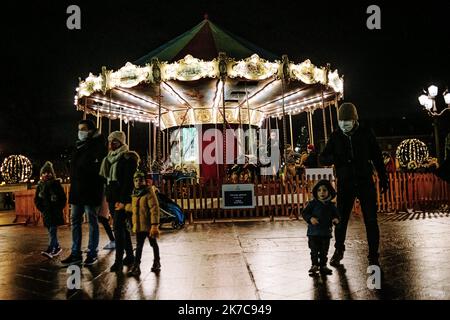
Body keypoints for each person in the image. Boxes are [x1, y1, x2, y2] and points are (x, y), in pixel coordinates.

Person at [320, 102, 388, 267]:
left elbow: (377, 157)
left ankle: (373, 254)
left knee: (371, 220)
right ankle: (339, 249)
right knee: (341, 220)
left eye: (347, 120)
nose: (344, 124)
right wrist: (336, 158)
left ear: (355, 119)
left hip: (365, 182)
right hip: (346, 183)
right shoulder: (336, 136)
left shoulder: (366, 134)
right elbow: (323, 158)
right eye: (341, 121)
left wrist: (383, 177)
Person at [62, 119, 107, 266]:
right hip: (77, 190)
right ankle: (76, 253)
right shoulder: (78, 146)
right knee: (75, 221)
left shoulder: (98, 145)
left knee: (92, 221)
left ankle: (92, 252)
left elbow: (98, 169)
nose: (80, 132)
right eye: (79, 129)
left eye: (83, 128)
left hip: (91, 189)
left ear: (91, 130)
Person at [100, 131, 139, 272]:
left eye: (115, 142)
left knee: (117, 227)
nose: (111, 145)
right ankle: (129, 256)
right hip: (112, 197)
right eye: (110, 142)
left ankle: (118, 260)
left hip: (122, 199)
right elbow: (108, 180)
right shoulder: (109, 159)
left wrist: (123, 201)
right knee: (121, 228)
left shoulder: (128, 158)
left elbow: (128, 182)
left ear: (121, 143)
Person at [126, 171, 161, 276]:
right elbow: (135, 208)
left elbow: (154, 209)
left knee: (153, 244)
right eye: (136, 180)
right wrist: (125, 207)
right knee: (139, 246)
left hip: (149, 226)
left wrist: (154, 225)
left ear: (144, 181)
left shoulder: (149, 192)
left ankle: (157, 261)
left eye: (140, 180)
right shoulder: (134, 193)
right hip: (139, 226)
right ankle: (136, 266)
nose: (138, 183)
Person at [302, 180, 339, 276]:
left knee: (324, 251)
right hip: (313, 233)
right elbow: (305, 213)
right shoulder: (313, 203)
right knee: (314, 250)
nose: (322, 192)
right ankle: (314, 265)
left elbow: (336, 215)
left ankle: (323, 265)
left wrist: (335, 219)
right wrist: (310, 218)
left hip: (326, 233)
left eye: (324, 190)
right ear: (316, 192)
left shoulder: (331, 205)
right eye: (319, 190)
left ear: (329, 192)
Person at [34, 161, 66, 258]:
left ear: (52, 174)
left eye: (48, 173)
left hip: (55, 212)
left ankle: (51, 249)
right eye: (44, 173)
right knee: (50, 231)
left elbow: (63, 198)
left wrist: (58, 207)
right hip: (46, 212)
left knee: (52, 230)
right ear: (41, 174)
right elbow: (37, 199)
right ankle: (56, 247)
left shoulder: (56, 184)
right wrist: (42, 209)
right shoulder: (40, 186)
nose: (46, 175)